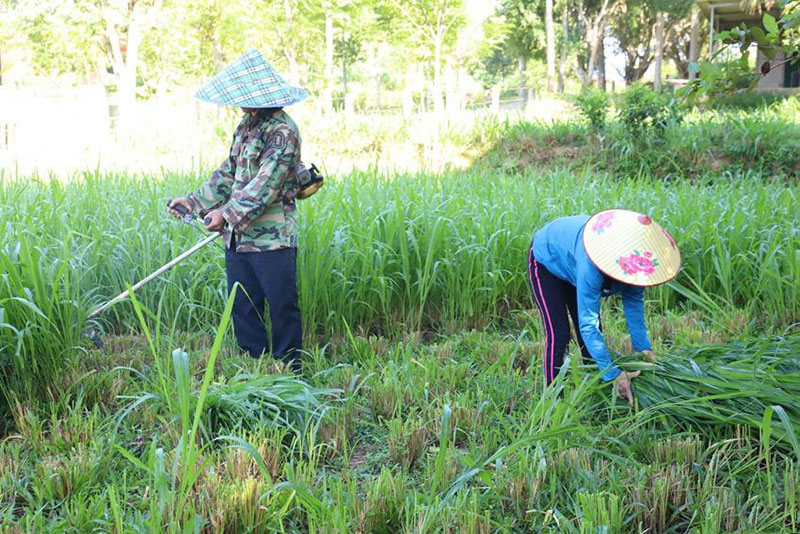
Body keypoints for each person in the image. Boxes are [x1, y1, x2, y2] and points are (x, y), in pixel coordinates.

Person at [168, 49, 306, 371]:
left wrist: (225, 215)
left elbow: (264, 186)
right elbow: (229, 173)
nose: (240, 103)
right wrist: (194, 202)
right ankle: (252, 366)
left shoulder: (283, 131)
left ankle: (289, 370)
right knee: (243, 306)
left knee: (282, 306)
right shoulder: (246, 125)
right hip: (238, 239)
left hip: (272, 239)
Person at [527, 209, 681, 404]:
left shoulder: (637, 267)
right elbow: (588, 324)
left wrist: (643, 349)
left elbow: (633, 307)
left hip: (572, 261)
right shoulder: (592, 267)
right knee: (560, 334)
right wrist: (613, 372)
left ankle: (596, 393)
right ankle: (552, 402)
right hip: (546, 260)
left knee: (591, 335)